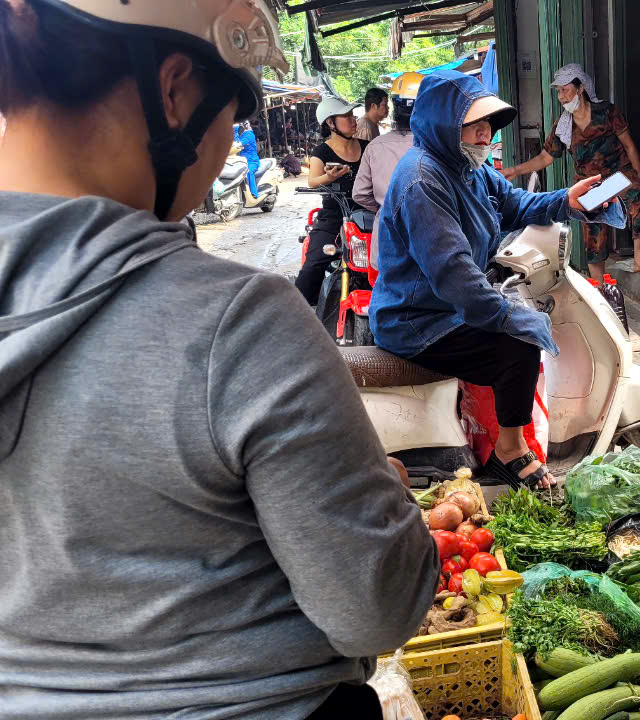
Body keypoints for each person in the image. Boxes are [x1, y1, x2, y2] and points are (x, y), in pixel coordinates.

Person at [0, 1, 435, 718]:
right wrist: (382, 503)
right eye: (232, 125)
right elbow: (377, 609)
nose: (225, 153)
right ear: (173, 91)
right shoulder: (240, 324)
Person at [371, 70, 625, 489]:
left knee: (519, 324)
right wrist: (510, 316)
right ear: (442, 124)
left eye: (489, 123)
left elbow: (516, 204)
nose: (484, 133)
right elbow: (454, 274)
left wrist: (567, 199)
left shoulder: (470, 168)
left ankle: (504, 443)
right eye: (473, 123)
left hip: (447, 309)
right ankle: (509, 450)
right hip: (417, 320)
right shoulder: (422, 179)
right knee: (519, 338)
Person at [502, 63, 640, 281]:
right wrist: (516, 170)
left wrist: (638, 177)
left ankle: (639, 261)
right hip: (590, 184)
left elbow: (629, 145)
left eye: (565, 90)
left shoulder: (607, 112)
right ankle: (599, 288)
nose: (561, 97)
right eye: (558, 92)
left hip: (618, 176)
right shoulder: (563, 126)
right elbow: (545, 157)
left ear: (580, 88)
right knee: (595, 235)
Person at [296, 95, 369, 305]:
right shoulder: (321, 152)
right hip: (334, 217)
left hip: (368, 216)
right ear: (330, 123)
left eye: (352, 115)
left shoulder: (368, 147)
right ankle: (300, 309)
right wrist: (330, 177)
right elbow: (312, 181)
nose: (353, 120)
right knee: (313, 264)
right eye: (346, 116)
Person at [354, 72, 421, 273]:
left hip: (387, 246)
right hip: (431, 249)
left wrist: (387, 208)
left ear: (395, 109)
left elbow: (360, 193)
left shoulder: (375, 147)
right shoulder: (439, 147)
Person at [234, 119, 260, 197]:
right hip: (242, 161)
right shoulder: (243, 135)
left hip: (252, 161)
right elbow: (235, 142)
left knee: (248, 171)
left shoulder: (249, 135)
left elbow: (238, 143)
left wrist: (235, 130)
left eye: (240, 126)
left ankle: (254, 193)